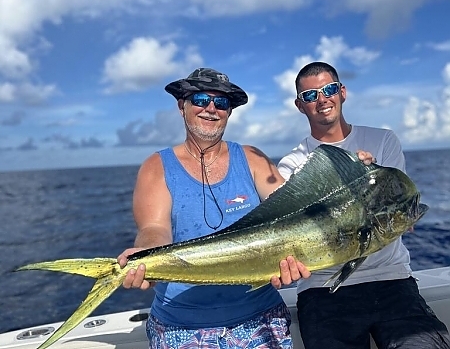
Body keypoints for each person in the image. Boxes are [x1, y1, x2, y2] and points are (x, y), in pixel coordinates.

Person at [116, 67, 311, 349]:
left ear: (229, 112)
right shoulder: (156, 167)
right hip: (181, 325)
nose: (211, 108)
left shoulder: (253, 159)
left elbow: (296, 214)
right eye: (200, 99)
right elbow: (154, 228)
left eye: (221, 103)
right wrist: (145, 257)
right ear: (182, 105)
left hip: (261, 319)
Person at [276, 61, 450, 349]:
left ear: (342, 92)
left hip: (392, 281)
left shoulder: (382, 141)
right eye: (311, 95)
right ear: (299, 105)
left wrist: (374, 174)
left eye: (329, 89)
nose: (322, 100)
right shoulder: (292, 164)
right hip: (323, 289)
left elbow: (396, 201)